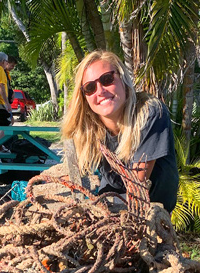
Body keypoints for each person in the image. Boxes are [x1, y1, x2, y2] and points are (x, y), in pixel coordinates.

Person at [62, 50, 179, 213]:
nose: (100, 91)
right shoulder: (89, 129)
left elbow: (137, 187)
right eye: (90, 87)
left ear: (123, 80)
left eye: (107, 79)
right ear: (85, 97)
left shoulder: (150, 112)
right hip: (110, 201)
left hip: (150, 209)